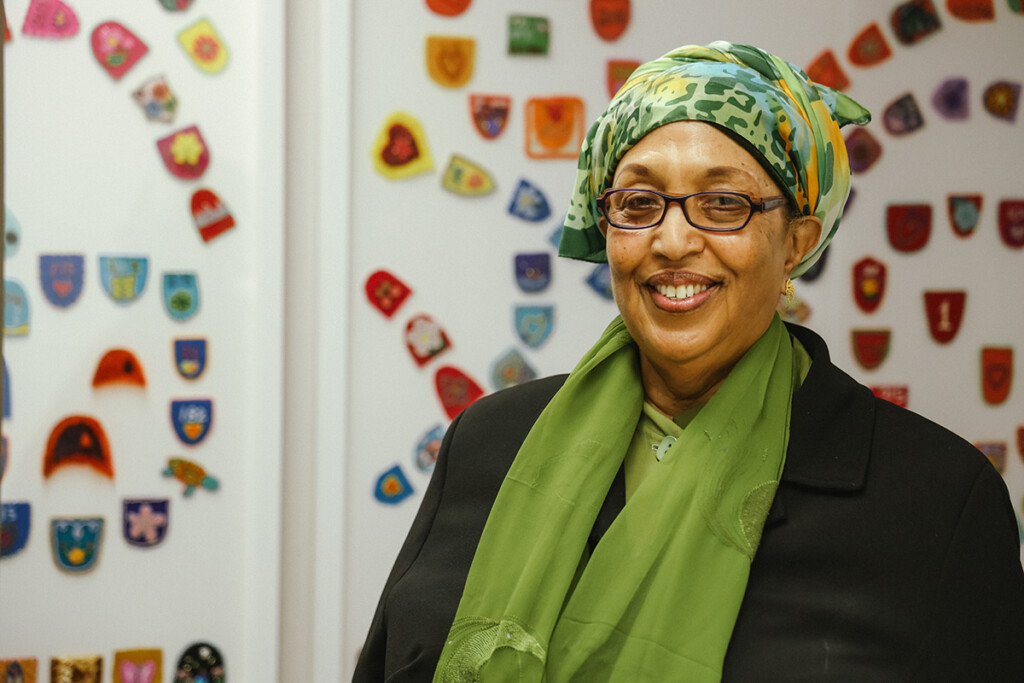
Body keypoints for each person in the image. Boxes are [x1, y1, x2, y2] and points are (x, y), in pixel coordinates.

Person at [354, 41, 1024, 682]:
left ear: (796, 241)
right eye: (639, 204)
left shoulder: (936, 499)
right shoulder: (490, 444)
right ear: (607, 228)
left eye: (723, 203)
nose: (673, 241)